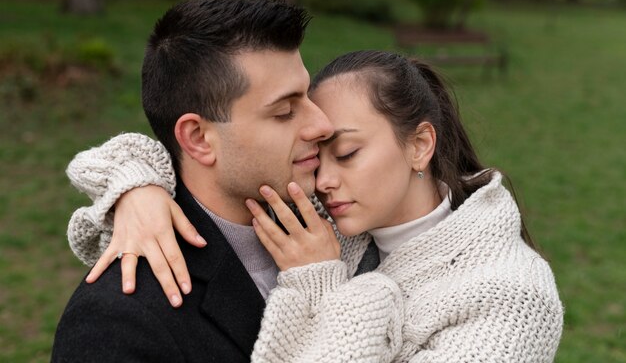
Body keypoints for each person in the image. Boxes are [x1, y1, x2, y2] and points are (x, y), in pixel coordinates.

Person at [59, 49, 563, 361]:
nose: (322, 180)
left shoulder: (511, 297)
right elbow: (186, 151)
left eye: (346, 153)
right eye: (316, 156)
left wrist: (322, 283)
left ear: (420, 145)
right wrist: (138, 189)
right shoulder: (330, 221)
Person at [52, 0, 395, 363]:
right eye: (284, 112)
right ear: (199, 139)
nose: (321, 125)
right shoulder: (117, 323)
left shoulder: (346, 217)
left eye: (307, 97)